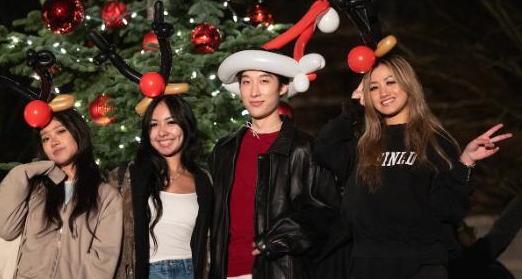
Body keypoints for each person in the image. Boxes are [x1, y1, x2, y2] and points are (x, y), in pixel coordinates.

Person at [314, 54, 513, 279]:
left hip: (423, 264)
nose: (383, 93)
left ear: (409, 85)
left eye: (391, 82)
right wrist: (352, 109)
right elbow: (322, 150)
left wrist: (466, 162)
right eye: (374, 87)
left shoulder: (436, 141)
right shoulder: (362, 143)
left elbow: (448, 208)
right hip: (367, 264)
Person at [210, 50, 340, 279]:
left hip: (279, 272)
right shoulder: (224, 149)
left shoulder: (304, 148)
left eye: (264, 80)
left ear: (282, 88)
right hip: (226, 271)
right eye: (246, 81)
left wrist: (277, 240)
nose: (254, 91)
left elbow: (327, 215)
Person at [0, 109, 123, 279]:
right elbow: (6, 230)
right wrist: (22, 172)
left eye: (61, 131)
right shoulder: (35, 190)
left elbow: (103, 259)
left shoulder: (106, 196)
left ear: (78, 133)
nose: (53, 142)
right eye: (46, 138)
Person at [110, 95, 213, 279]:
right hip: (147, 272)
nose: (162, 132)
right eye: (154, 124)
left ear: (186, 125)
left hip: (191, 272)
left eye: (170, 122)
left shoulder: (205, 180)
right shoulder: (127, 177)